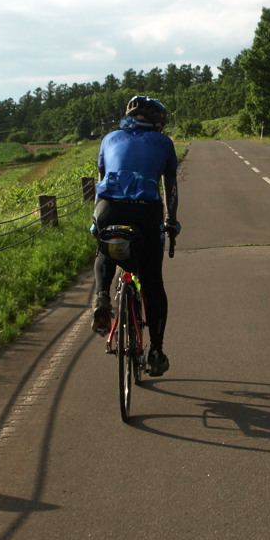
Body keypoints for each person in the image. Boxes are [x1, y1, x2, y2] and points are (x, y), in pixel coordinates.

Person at [91, 95, 180, 375]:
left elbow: (103, 180)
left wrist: (96, 221)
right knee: (152, 282)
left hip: (108, 208)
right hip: (146, 210)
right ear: (159, 123)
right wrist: (171, 221)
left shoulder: (109, 138)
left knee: (104, 248)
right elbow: (170, 187)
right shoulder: (164, 143)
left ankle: (102, 297)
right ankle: (156, 350)